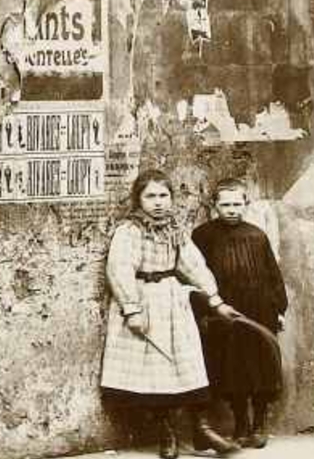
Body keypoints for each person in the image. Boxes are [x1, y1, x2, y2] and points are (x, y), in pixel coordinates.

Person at [101, 169, 241, 459]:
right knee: (156, 371)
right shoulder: (129, 230)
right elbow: (120, 269)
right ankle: (167, 433)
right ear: (138, 199)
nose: (158, 202)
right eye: (150, 196)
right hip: (143, 300)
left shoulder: (175, 230)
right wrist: (132, 309)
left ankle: (202, 429)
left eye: (163, 195)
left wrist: (215, 300)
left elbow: (194, 266)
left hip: (172, 301)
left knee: (189, 364)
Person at [191, 178, 289, 449]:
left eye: (237, 204)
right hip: (225, 312)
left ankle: (259, 423)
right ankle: (240, 423)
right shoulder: (202, 236)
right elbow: (194, 275)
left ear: (246, 204)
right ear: (214, 206)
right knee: (232, 369)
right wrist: (204, 311)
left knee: (261, 367)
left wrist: (278, 308)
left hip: (259, 311)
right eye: (225, 204)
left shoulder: (257, 235)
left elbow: (273, 275)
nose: (231, 209)